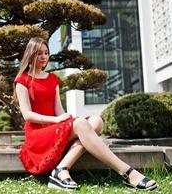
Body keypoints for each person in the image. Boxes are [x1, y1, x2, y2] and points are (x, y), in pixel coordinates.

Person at [13, 37, 157, 190]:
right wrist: (56, 120)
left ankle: (61, 170)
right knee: (81, 124)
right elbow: (27, 115)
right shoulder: (22, 80)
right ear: (30, 54)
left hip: (54, 128)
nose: (44, 57)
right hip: (37, 134)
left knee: (96, 121)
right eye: (39, 53)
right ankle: (127, 172)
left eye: (46, 53)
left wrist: (66, 119)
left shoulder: (53, 79)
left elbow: (59, 110)